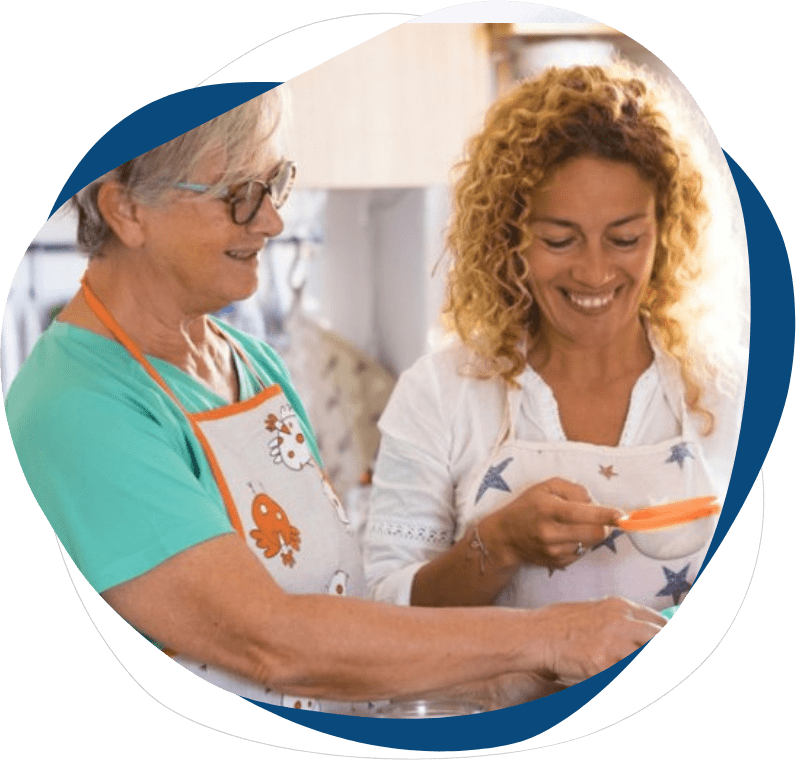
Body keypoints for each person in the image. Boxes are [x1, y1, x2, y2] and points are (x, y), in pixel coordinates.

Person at [4, 88, 665, 715]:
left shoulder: (250, 363)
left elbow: (336, 607)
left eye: (275, 183)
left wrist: (525, 676)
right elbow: (272, 641)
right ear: (127, 210)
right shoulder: (78, 407)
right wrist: (548, 637)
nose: (272, 219)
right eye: (240, 196)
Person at [364, 64, 747, 616]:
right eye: (559, 240)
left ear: (666, 233)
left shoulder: (731, 392)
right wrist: (498, 546)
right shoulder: (441, 394)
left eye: (625, 239)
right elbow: (384, 615)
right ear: (509, 236)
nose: (594, 273)